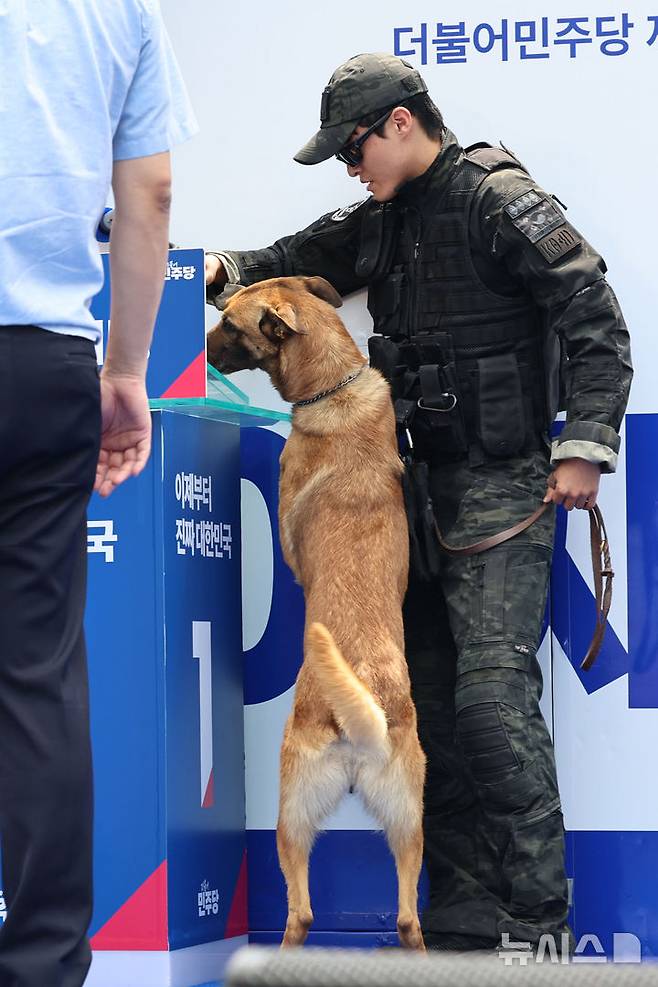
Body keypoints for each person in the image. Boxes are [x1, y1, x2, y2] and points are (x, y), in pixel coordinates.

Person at [205, 53, 632, 953]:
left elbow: (591, 308)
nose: (347, 168)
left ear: (401, 122)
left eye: (352, 148)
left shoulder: (495, 196)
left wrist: (587, 441)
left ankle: (540, 919)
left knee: (488, 699)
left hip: (503, 486)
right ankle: (468, 908)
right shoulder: (382, 217)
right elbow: (292, 261)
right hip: (409, 487)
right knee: (427, 703)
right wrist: (221, 268)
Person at [0, 3, 197, 985]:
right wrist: (125, 368)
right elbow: (150, 192)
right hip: (42, 362)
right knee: (34, 677)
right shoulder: (117, 5)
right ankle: (41, 966)